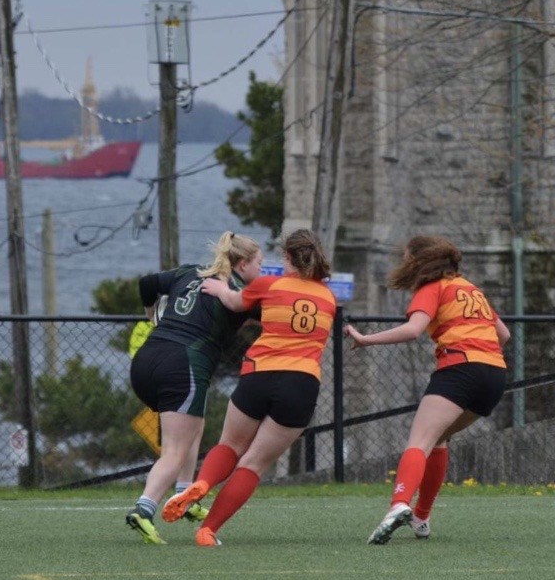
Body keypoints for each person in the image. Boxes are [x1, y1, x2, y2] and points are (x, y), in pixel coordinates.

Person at [161, 229, 336, 547]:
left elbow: (234, 302)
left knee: (229, 445)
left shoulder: (269, 285)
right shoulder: (328, 297)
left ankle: (201, 483)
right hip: (302, 382)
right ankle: (208, 530)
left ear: (287, 258)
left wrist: (219, 287)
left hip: (260, 375)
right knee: (254, 463)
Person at [344, 236, 511, 544]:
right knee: (439, 438)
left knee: (419, 441)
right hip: (494, 374)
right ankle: (421, 517)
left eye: (407, 258)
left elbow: (413, 330)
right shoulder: (471, 289)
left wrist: (366, 339)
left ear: (420, 262)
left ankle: (398, 505)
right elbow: (504, 333)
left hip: (460, 367)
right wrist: (483, 358)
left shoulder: (431, 288)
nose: (404, 264)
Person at [126, 231, 262, 544]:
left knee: (193, 429)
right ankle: (143, 509)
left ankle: (184, 497)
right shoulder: (241, 292)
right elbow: (274, 313)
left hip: (147, 360)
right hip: (183, 365)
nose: (261, 270)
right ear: (242, 264)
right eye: (259, 263)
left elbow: (147, 283)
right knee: (174, 450)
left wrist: (151, 317)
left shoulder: (190, 271)